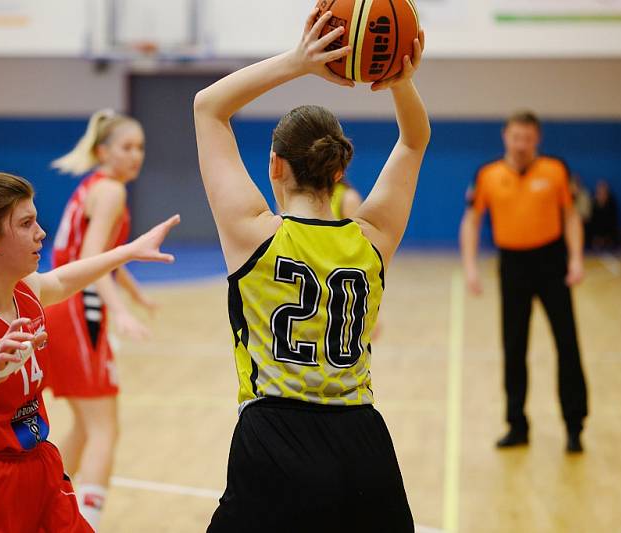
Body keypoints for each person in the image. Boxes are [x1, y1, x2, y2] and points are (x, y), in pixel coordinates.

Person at [194, 9, 428, 531]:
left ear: (275, 164)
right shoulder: (372, 239)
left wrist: (301, 61)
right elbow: (413, 142)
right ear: (340, 171)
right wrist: (400, 81)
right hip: (362, 440)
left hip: (274, 435)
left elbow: (208, 108)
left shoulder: (253, 234)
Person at [0, 164, 178, 531]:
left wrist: (127, 252)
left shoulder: (27, 291)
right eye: (26, 224)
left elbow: (63, 278)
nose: (41, 233)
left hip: (40, 468)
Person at [45, 109, 155, 530]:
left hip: (61, 304)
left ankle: (45, 503)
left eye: (141, 148)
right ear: (103, 151)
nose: (136, 155)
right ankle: (85, 522)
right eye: (127, 147)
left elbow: (106, 254)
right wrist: (121, 312)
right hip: (76, 309)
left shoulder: (96, 186)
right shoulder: (111, 191)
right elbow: (92, 260)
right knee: (105, 428)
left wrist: (134, 293)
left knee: (87, 425)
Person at [459, 111, 589, 453]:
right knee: (514, 348)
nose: (521, 144)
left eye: (528, 138)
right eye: (516, 137)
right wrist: (470, 267)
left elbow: (571, 216)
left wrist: (576, 259)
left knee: (567, 344)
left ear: (537, 139)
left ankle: (574, 426)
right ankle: (517, 424)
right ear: (505, 136)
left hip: (551, 262)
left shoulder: (556, 170)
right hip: (512, 266)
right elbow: (471, 222)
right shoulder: (488, 174)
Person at [588, 179, 619, 250]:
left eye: (603, 189)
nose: (602, 191)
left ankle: (607, 240)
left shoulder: (612, 202)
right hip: (596, 230)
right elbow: (591, 219)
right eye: (600, 189)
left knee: (608, 222)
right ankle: (597, 240)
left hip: (608, 229)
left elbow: (614, 219)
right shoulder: (593, 201)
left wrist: (606, 237)